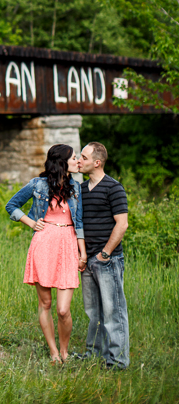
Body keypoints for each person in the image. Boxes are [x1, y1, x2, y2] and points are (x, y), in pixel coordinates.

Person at [5, 144, 86, 363]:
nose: (78, 160)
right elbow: (11, 205)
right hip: (43, 244)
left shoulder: (76, 187)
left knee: (62, 309)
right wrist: (31, 222)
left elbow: (78, 223)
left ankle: (65, 350)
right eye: (74, 157)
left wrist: (83, 253)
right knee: (46, 304)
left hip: (68, 244)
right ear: (62, 161)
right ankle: (54, 353)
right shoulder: (38, 184)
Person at [78, 142, 129, 369]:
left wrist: (105, 254)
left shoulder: (113, 188)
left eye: (84, 157)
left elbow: (122, 224)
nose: (79, 161)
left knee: (113, 311)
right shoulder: (80, 190)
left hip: (108, 260)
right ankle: (93, 355)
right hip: (87, 260)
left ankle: (118, 361)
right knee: (93, 312)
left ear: (97, 163)